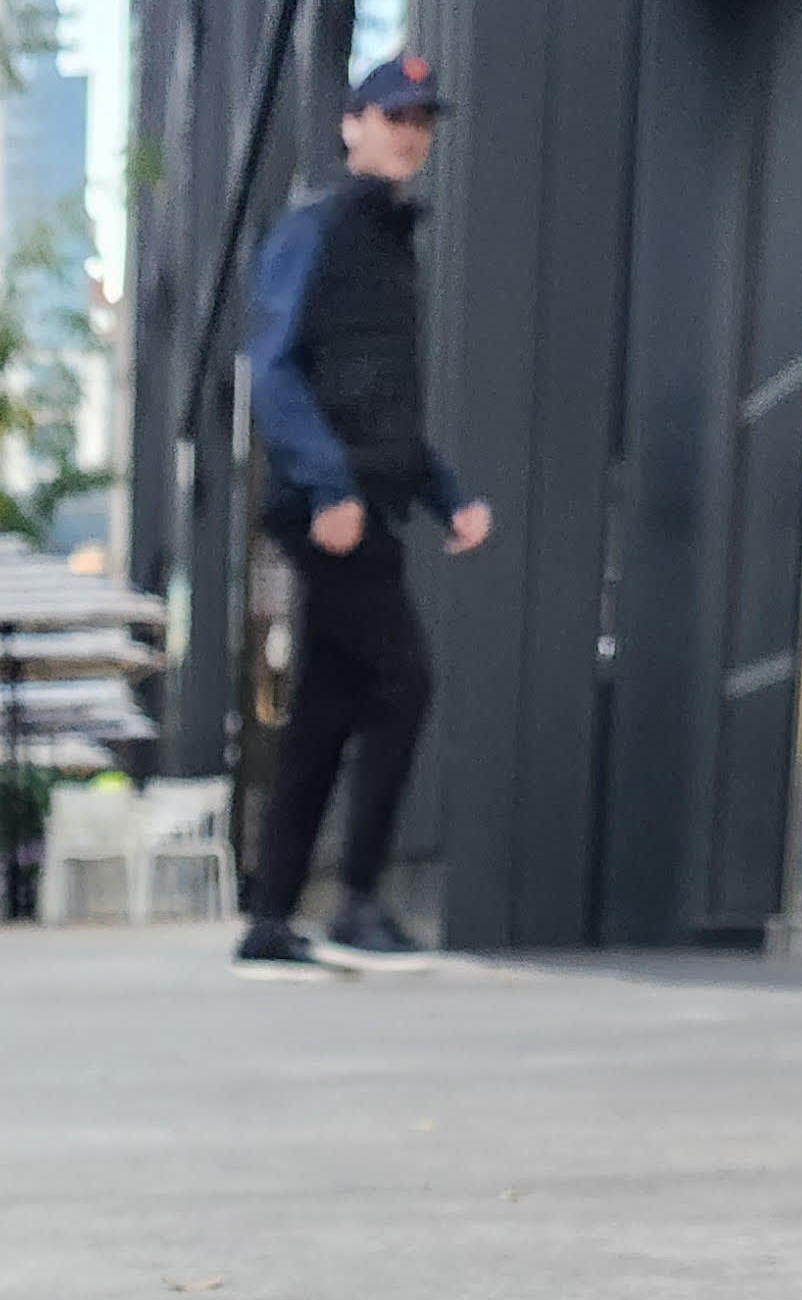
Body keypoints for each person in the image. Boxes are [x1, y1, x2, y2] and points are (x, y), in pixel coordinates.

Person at [234, 51, 496, 983]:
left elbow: (385, 407)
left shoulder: (393, 245)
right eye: (394, 116)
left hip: (369, 505)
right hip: (332, 512)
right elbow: (271, 369)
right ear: (352, 126)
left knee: (326, 713)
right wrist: (331, 487)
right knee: (405, 682)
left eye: (422, 119)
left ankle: (270, 924)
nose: (410, 132)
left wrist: (447, 493)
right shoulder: (319, 229)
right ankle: (355, 905)